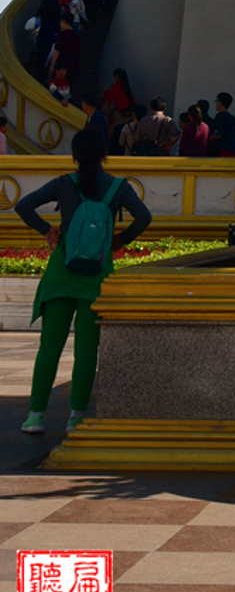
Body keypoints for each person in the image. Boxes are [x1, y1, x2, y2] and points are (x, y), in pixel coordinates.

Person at [16, 128, 152, 435]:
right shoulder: (118, 187)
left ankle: (36, 415)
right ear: (105, 154)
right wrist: (118, 241)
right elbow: (144, 217)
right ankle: (76, 416)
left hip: (61, 274)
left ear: (75, 155)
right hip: (97, 277)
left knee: (49, 348)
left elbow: (23, 205)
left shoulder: (64, 183)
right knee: (87, 351)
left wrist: (47, 231)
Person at [207, 92, 235, 157]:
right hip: (234, 150)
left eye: (216, 101)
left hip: (223, 150)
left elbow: (217, 134)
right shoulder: (232, 118)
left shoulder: (220, 116)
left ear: (220, 103)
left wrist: (205, 140)